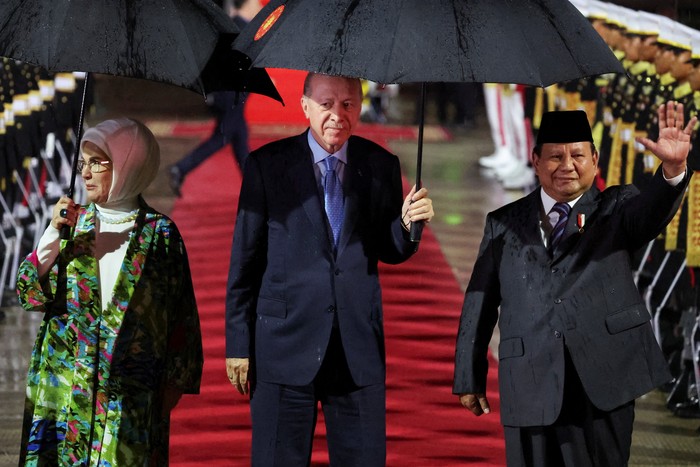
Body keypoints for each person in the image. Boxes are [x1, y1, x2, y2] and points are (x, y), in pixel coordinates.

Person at [453, 101, 696, 466]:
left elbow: (651, 212)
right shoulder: (502, 222)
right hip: (529, 379)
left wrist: (673, 169)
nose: (567, 166)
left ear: (595, 160)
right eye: (555, 156)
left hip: (602, 382)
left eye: (577, 155)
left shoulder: (617, 207)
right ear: (535, 161)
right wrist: (468, 374)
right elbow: (480, 300)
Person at [225, 72, 434, 466]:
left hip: (356, 347)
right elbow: (244, 262)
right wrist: (238, 344)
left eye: (348, 104)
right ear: (304, 106)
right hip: (283, 345)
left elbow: (388, 248)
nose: (337, 115)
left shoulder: (379, 165)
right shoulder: (267, 166)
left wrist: (407, 225)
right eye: (326, 104)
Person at [16, 118, 203, 465]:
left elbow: (182, 319)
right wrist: (52, 235)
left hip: (127, 401)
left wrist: (168, 391)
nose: (85, 173)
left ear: (129, 162)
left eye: (97, 162)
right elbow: (28, 292)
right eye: (82, 163)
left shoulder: (159, 233)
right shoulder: (73, 223)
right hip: (65, 395)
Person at [169, 0, 262, 197]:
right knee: (224, 136)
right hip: (230, 97)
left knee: (240, 138)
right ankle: (181, 167)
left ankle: (254, 188)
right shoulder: (238, 28)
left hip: (231, 96)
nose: (261, 7)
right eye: (258, 2)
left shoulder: (237, 26)